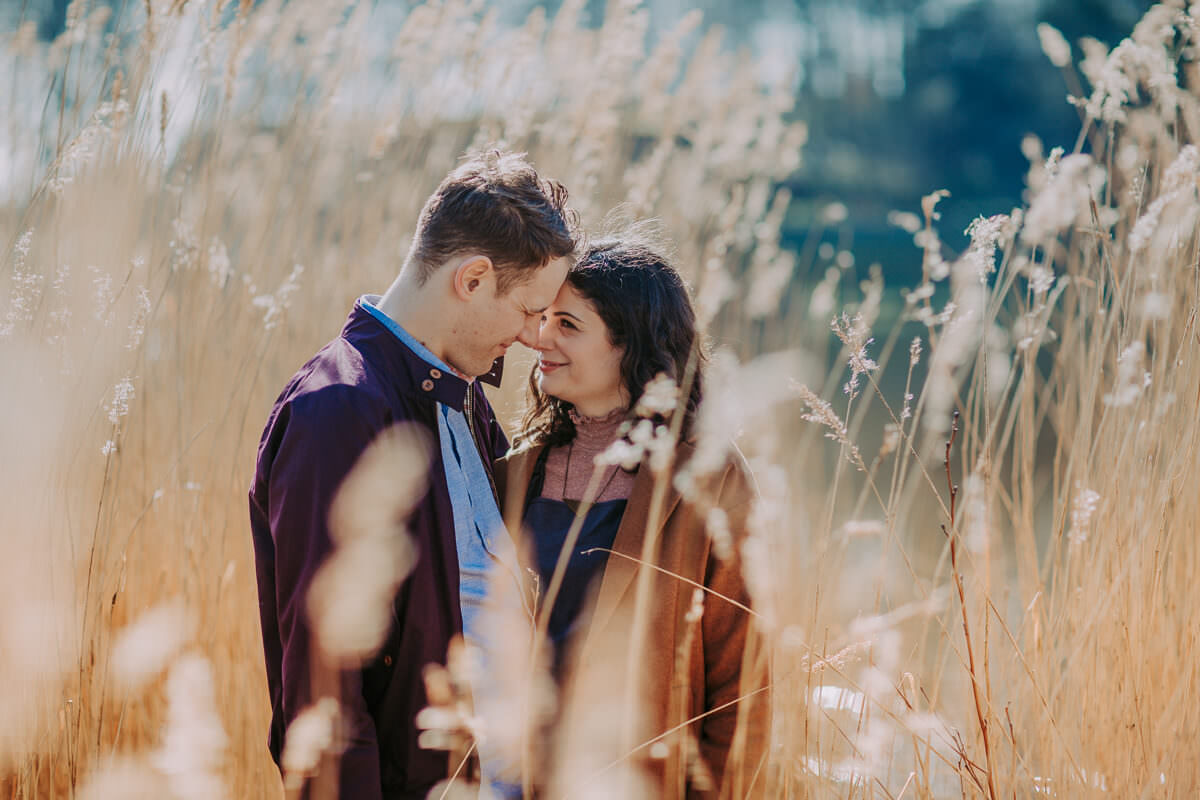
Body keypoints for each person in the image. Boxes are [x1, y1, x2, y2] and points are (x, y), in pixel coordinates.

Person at [249, 150, 578, 799]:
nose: (532, 336)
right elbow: (324, 694)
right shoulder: (338, 410)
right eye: (527, 309)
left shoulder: (463, 396)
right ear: (473, 278)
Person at [495, 234, 770, 798]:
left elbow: (745, 683)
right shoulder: (514, 472)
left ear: (631, 343)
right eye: (543, 319)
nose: (540, 337)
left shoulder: (709, 477)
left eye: (568, 324)